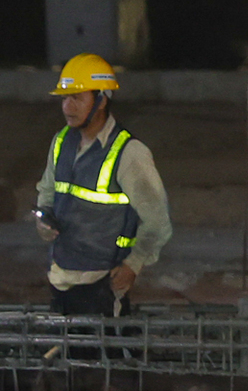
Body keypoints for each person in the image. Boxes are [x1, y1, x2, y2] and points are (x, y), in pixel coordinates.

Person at [33, 54, 172, 315]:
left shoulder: (129, 154)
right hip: (60, 279)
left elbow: (157, 221)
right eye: (65, 98)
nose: (67, 106)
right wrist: (43, 221)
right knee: (67, 353)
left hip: (102, 286)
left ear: (101, 100)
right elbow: (47, 193)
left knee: (98, 355)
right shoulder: (61, 142)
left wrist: (134, 264)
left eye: (77, 98)